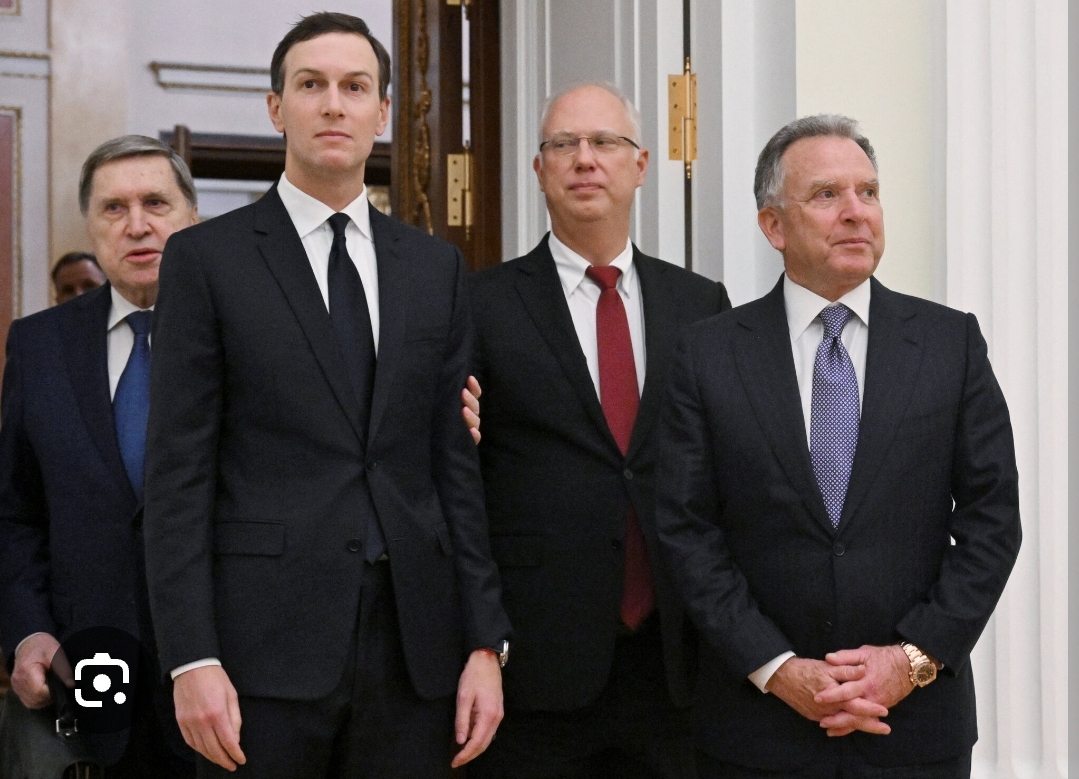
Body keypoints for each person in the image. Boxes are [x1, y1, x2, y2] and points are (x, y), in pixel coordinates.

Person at [142, 13, 511, 779]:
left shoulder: (434, 268)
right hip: (259, 654)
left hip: (415, 652)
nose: (334, 104)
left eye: (355, 86)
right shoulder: (205, 260)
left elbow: (455, 472)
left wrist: (484, 640)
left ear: (383, 112)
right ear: (276, 107)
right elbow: (176, 474)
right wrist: (191, 656)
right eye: (311, 85)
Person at [653, 115, 1021, 779]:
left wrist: (910, 660)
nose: (856, 211)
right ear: (773, 226)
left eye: (868, 192)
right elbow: (685, 529)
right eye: (827, 194)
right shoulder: (707, 354)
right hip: (755, 730)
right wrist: (775, 668)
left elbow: (992, 521)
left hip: (914, 729)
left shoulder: (950, 344)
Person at [466, 83, 730, 779]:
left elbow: (725, 476)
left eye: (605, 142)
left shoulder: (701, 305)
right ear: (539, 169)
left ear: (640, 164)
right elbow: (461, 486)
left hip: (675, 663)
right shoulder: (480, 304)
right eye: (564, 144)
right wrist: (479, 639)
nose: (585, 159)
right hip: (536, 665)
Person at [0, 135, 199, 776]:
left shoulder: (247, 332)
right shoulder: (39, 346)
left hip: (228, 675)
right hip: (91, 669)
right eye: (114, 208)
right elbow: (16, 512)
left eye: (156, 203)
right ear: (90, 225)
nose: (137, 225)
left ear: (192, 216)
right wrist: (28, 630)